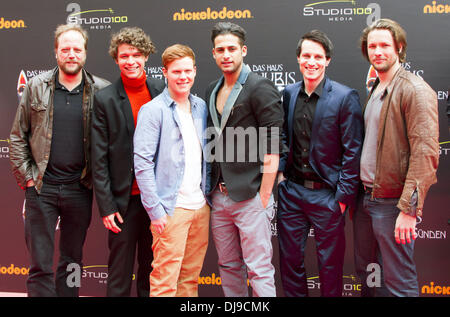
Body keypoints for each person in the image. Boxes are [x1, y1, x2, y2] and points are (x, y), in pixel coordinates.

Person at [9, 24, 110, 297]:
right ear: (56, 52)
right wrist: (28, 179)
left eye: (77, 49)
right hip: (42, 188)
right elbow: (18, 137)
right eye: (65, 49)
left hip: (80, 188)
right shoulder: (35, 86)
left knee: (73, 261)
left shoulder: (102, 90)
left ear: (85, 53)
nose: (71, 54)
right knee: (40, 264)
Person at [354, 18, 439, 297]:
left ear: (399, 47)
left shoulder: (414, 90)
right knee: (370, 279)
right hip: (367, 199)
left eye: (384, 46)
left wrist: (409, 209)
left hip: (393, 204)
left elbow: (425, 153)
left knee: (400, 283)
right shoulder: (376, 88)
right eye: (372, 46)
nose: (378, 51)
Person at [277, 30, 363, 297]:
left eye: (317, 56)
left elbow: (353, 150)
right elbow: (281, 137)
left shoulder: (344, 96)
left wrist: (342, 198)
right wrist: (280, 179)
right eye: (306, 56)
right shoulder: (289, 94)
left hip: (327, 195)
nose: (311, 62)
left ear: (327, 60)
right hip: (291, 193)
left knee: (330, 266)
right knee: (290, 264)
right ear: (298, 59)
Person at [205, 22, 284, 297]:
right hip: (220, 197)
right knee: (227, 266)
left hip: (251, 196)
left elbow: (274, 145)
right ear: (213, 54)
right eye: (220, 50)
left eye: (232, 49)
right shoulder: (211, 90)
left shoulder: (260, 87)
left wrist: (264, 195)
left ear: (243, 51)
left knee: (259, 269)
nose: (226, 54)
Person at [91, 27, 164, 297]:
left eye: (135, 54)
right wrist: (107, 206)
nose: (130, 60)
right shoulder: (105, 99)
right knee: (119, 275)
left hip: (156, 200)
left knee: (152, 270)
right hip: (123, 202)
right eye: (124, 55)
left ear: (146, 56)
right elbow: (99, 157)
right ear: (116, 59)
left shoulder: (160, 90)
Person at [134, 44, 209, 297]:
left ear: (195, 71)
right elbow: (142, 164)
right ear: (165, 72)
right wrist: (155, 212)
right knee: (165, 282)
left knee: (189, 280)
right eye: (177, 71)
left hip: (200, 207)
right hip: (170, 210)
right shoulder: (153, 111)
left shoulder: (201, 106)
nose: (183, 77)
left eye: (188, 71)